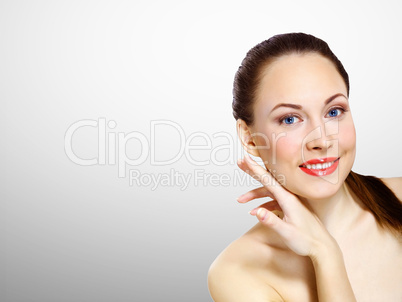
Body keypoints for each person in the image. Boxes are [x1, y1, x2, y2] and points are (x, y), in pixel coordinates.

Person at [207, 33, 402, 301]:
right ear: (250, 139)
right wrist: (326, 254)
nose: (321, 140)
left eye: (334, 111)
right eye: (289, 119)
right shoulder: (237, 271)